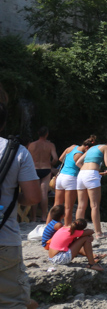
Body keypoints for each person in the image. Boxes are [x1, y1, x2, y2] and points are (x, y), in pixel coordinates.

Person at [0, 82, 42, 309]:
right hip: (4, 241)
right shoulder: (16, 151)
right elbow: (33, 197)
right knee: (12, 302)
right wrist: (16, 200)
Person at [75, 140, 107, 238]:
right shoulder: (106, 148)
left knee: (81, 206)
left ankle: (77, 232)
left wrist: (91, 171)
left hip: (81, 174)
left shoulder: (92, 148)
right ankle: (98, 233)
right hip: (91, 175)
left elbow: (78, 163)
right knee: (94, 206)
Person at [27, 128, 57, 222]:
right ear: (46, 134)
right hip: (46, 169)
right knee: (44, 193)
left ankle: (33, 217)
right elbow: (55, 158)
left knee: (35, 193)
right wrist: (50, 164)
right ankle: (44, 216)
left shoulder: (31, 145)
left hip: (34, 169)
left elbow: (27, 158)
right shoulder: (50, 145)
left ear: (38, 133)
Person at [54, 141, 86, 227]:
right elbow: (83, 167)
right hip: (71, 177)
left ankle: (50, 225)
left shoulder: (72, 147)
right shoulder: (80, 154)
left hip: (61, 176)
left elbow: (61, 159)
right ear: (87, 147)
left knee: (56, 204)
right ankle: (67, 226)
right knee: (68, 207)